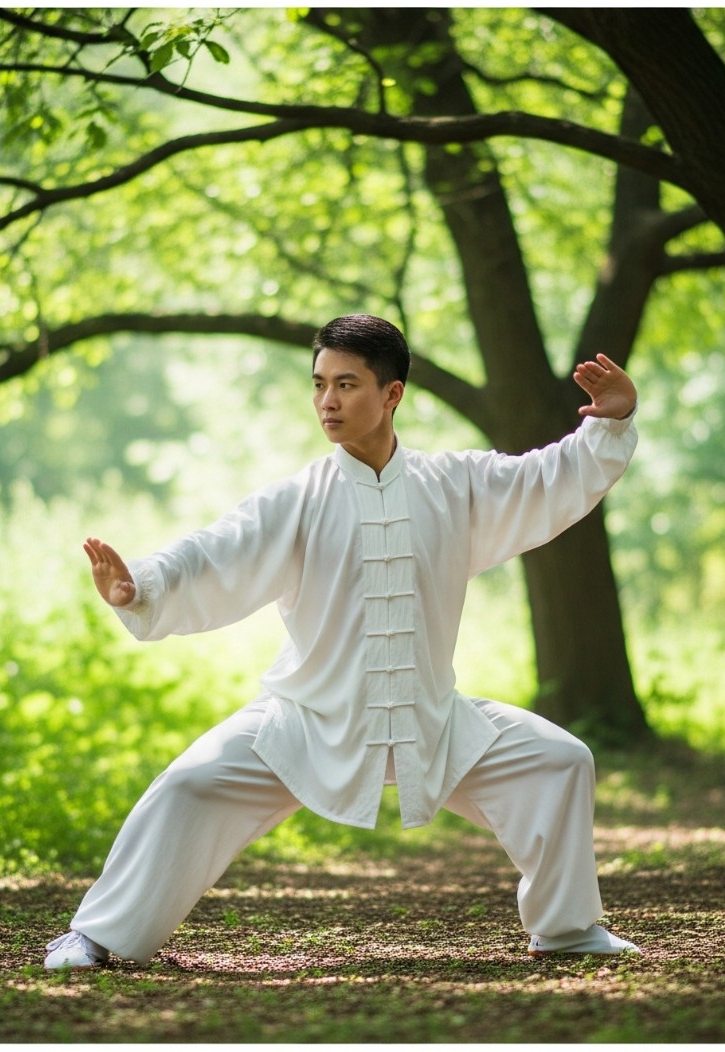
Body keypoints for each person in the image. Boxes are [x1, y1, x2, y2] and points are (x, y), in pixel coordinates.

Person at [46, 313, 641, 970]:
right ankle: (98, 936)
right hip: (305, 722)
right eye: (320, 384)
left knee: (560, 762)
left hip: (431, 720)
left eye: (347, 384)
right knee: (188, 785)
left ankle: (567, 929)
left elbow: (545, 478)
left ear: (392, 395)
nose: (327, 401)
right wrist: (142, 587)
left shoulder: (457, 484)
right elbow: (218, 550)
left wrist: (608, 423)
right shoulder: (298, 499)